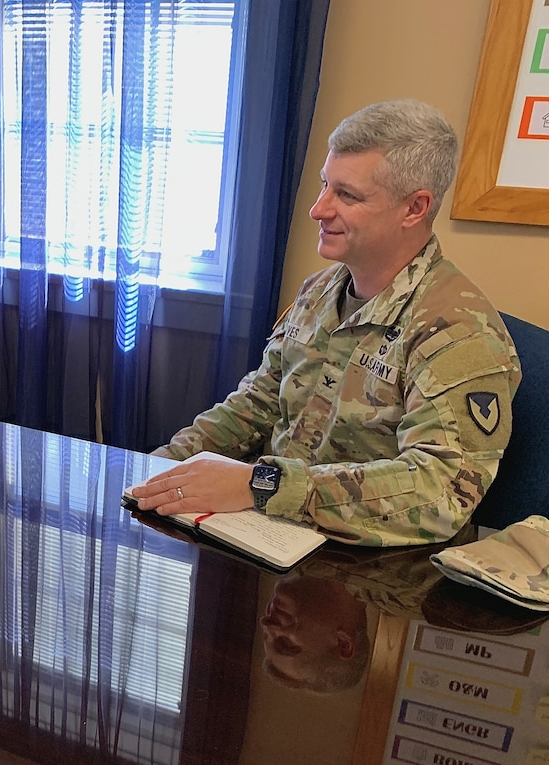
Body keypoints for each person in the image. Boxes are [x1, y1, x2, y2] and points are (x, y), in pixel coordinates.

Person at [130, 99, 520, 546]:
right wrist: (161, 469)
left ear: (414, 209)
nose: (318, 209)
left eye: (347, 195)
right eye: (324, 186)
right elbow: (258, 404)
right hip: (265, 532)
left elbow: (440, 493)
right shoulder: (320, 290)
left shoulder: (459, 331)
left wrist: (262, 484)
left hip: (365, 571)